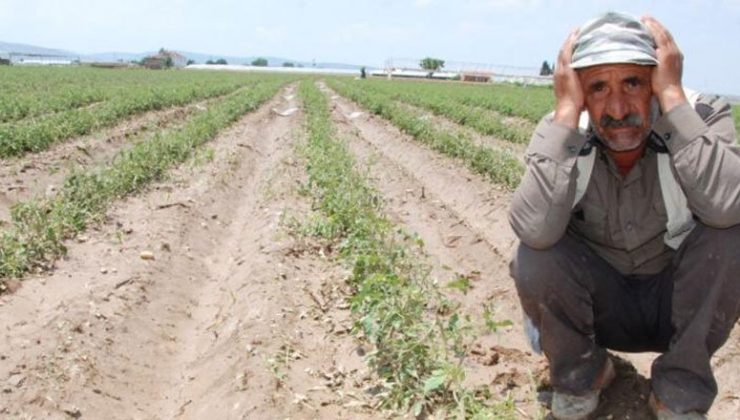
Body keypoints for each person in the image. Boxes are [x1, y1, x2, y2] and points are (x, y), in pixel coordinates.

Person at [508, 11, 740, 419]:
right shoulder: (564, 133)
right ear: (578, 91)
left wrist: (673, 102)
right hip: (601, 309)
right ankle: (584, 373)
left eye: (633, 82)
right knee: (535, 253)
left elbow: (726, 207)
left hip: (675, 305)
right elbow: (533, 230)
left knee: (733, 235)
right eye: (598, 87)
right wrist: (565, 113)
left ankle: (679, 390)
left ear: (658, 80)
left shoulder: (700, 119)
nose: (617, 107)